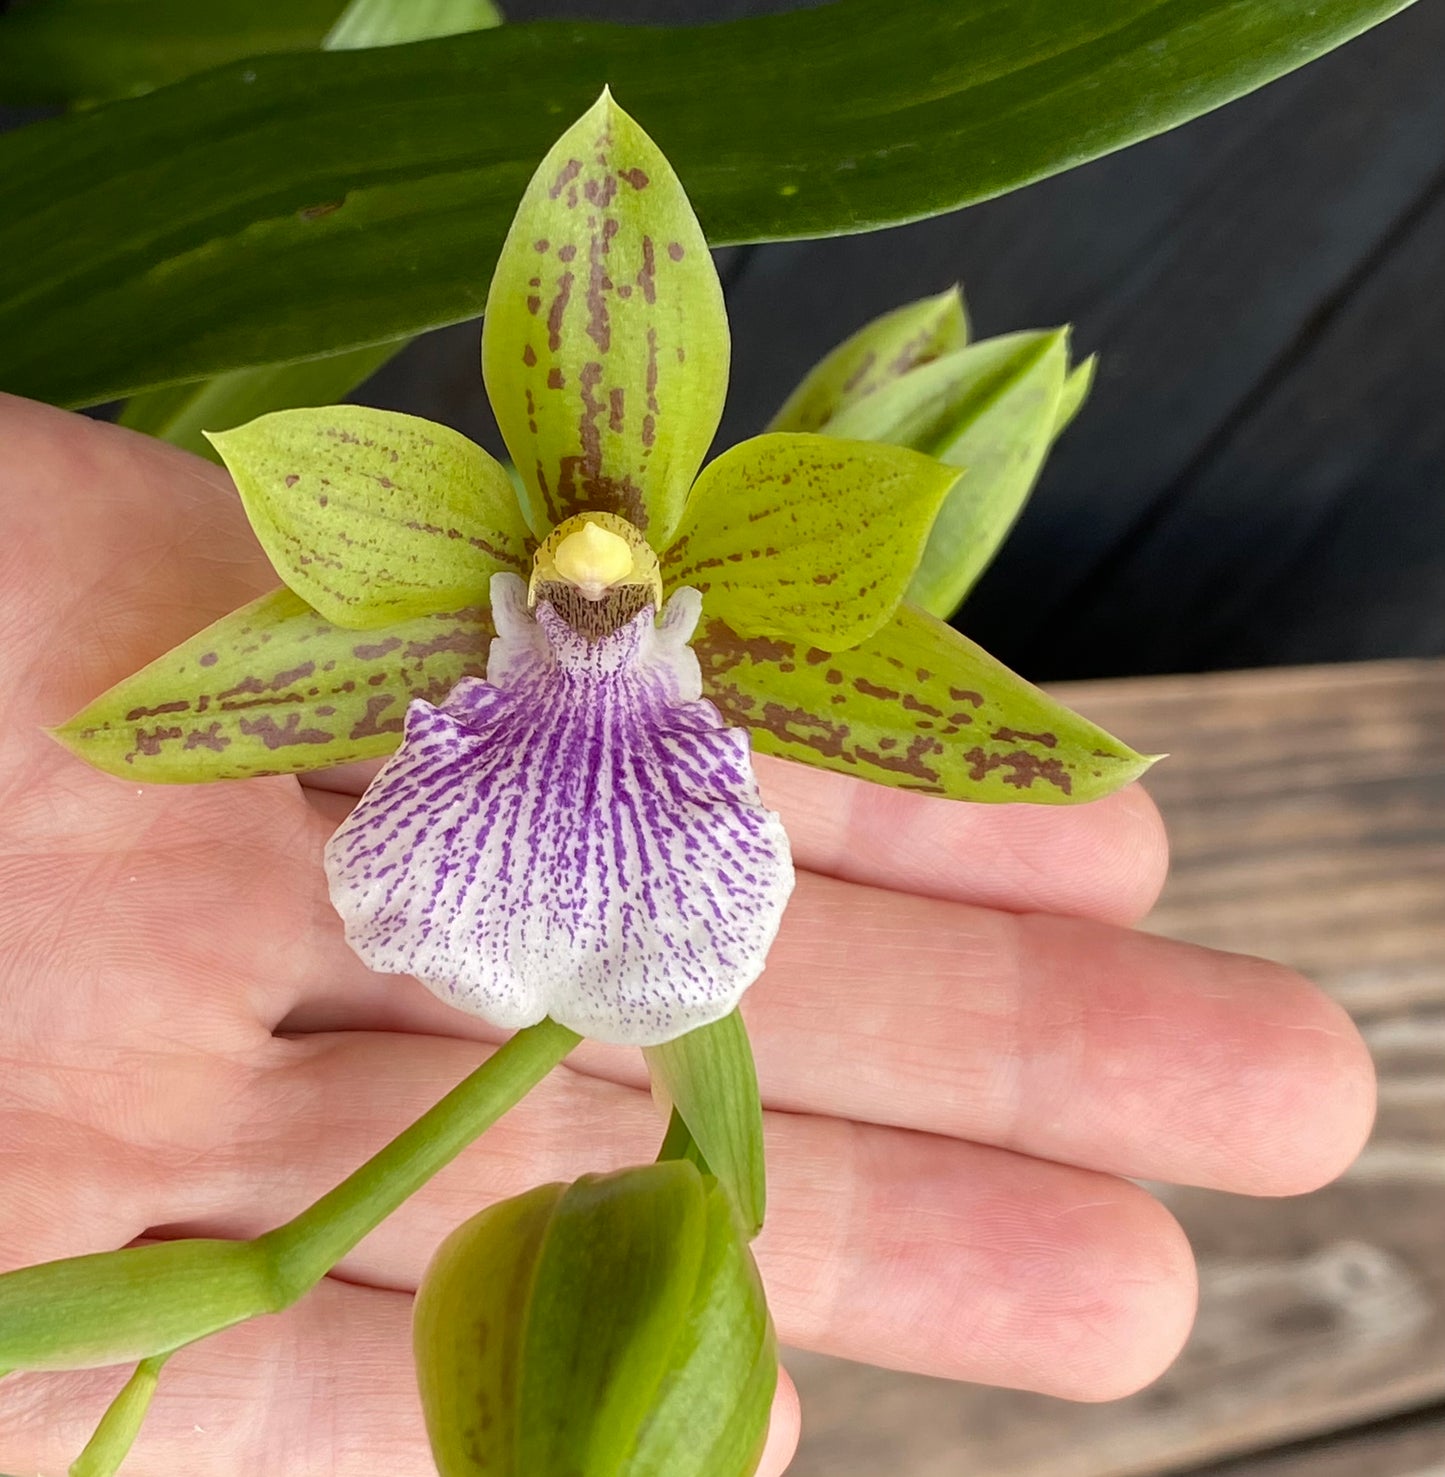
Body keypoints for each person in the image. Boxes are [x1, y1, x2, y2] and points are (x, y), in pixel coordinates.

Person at [0, 394, 1375, 1474]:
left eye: (613, 597)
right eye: (574, 595)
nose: (591, 594)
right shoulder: (483, 620)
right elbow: (210, 703)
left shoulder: (727, 625)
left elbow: (965, 722)